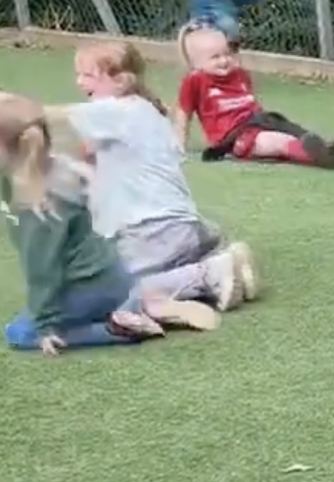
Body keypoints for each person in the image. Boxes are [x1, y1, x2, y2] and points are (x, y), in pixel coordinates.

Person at [49, 41, 257, 309]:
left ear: (121, 81)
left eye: (88, 75)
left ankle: (209, 274)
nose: (79, 82)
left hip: (153, 232)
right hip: (182, 228)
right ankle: (214, 258)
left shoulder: (117, 111)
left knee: (101, 294)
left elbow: (44, 119)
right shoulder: (142, 111)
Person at [2, 97, 218, 353]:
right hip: (111, 275)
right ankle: (131, 308)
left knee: (19, 332)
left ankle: (117, 329)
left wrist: (43, 325)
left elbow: (43, 271)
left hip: (90, 286)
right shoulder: (44, 169)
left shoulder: (38, 207)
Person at [176, 26, 334, 169]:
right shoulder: (195, 80)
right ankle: (322, 158)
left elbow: (250, 104)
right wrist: (179, 145)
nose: (224, 60)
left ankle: (332, 150)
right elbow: (183, 114)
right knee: (278, 142)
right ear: (195, 63)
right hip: (236, 138)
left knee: (292, 131)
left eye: (227, 54)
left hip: (260, 122)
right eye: (215, 57)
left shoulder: (239, 74)